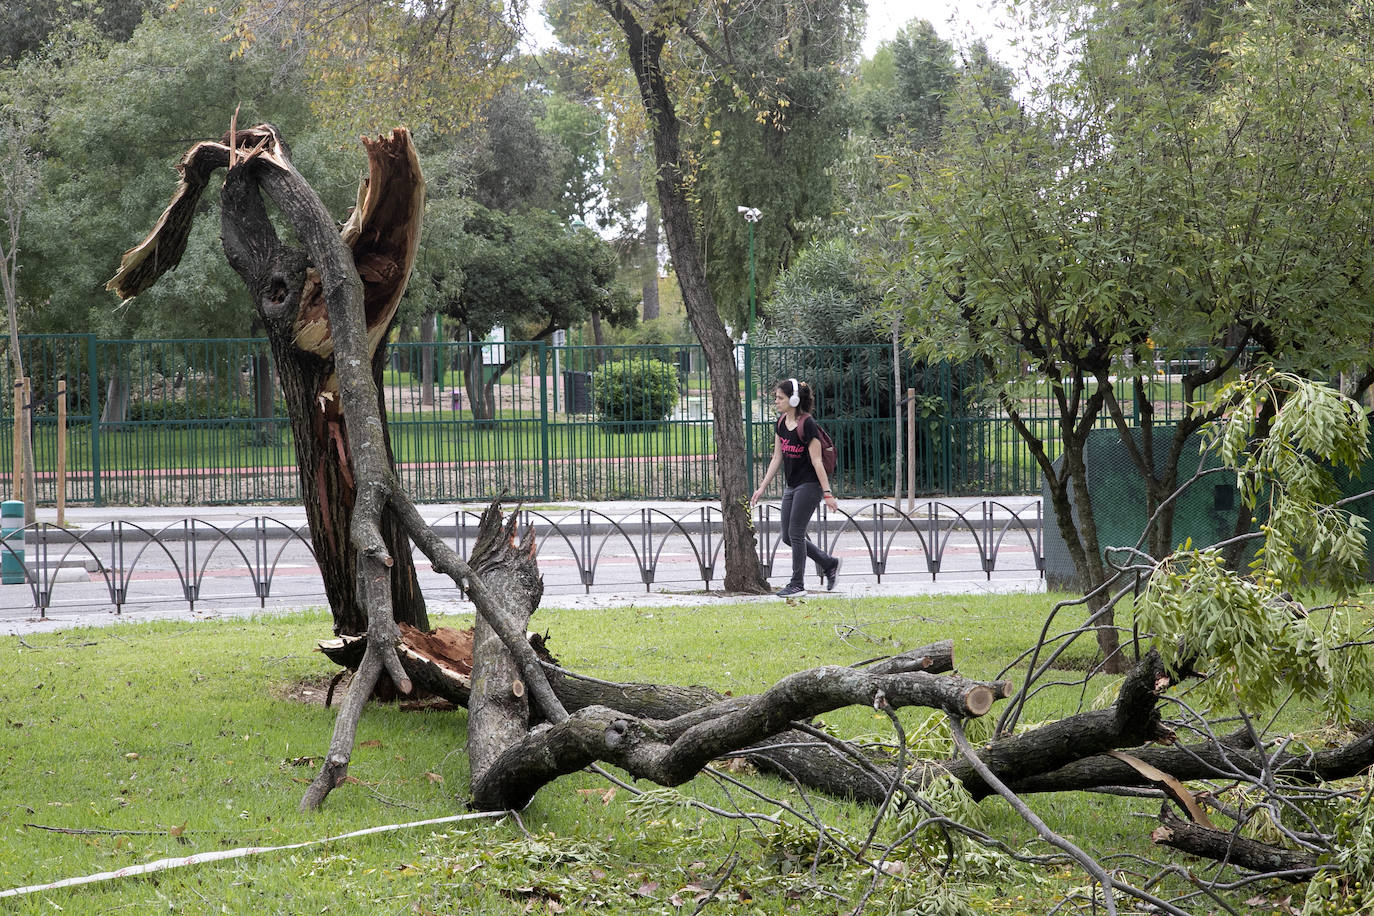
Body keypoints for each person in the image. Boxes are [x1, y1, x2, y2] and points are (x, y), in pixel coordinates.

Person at [750, 378, 841, 597]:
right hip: (792, 486)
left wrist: (827, 493)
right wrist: (762, 487)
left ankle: (797, 583)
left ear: (793, 399)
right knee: (788, 537)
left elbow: (818, 461)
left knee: (796, 533)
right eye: (776, 398)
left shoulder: (807, 424)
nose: (776, 401)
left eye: (780, 398)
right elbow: (776, 457)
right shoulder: (781, 423)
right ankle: (828, 563)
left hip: (809, 485)